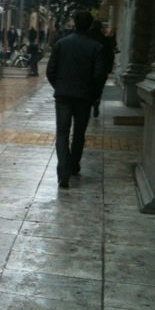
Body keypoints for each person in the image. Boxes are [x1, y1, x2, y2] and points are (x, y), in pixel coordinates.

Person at [46, 10, 107, 188]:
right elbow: (99, 76)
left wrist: (60, 87)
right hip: (84, 98)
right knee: (79, 134)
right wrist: (94, 96)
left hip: (63, 97)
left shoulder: (61, 44)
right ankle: (73, 166)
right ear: (89, 25)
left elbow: (50, 71)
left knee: (62, 133)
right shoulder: (97, 47)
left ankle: (63, 172)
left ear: (74, 23)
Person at [88, 20, 115, 117]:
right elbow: (110, 55)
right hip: (102, 68)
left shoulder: (87, 38)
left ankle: (88, 103)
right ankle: (96, 102)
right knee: (99, 88)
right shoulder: (105, 39)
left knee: (87, 87)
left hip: (87, 68)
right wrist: (109, 69)